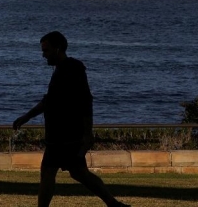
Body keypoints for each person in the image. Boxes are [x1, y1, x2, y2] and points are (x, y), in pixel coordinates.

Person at [13, 31, 129, 207]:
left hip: (66, 136)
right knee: (72, 173)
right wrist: (26, 117)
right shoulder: (60, 71)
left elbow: (85, 100)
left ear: (58, 49)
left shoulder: (73, 69)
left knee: (58, 172)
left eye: (46, 50)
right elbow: (49, 100)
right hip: (59, 135)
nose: (43, 55)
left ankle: (112, 203)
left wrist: (88, 133)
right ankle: (113, 203)